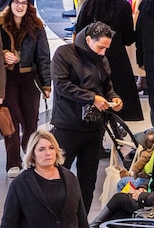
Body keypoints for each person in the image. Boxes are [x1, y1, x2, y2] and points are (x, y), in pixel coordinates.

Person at [52, 22, 123, 207]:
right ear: (89, 39)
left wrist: (114, 99)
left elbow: (107, 87)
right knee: (58, 175)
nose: (103, 52)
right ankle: (58, 221)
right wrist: (92, 98)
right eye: (101, 47)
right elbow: (61, 85)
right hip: (67, 126)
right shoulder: (64, 53)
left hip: (94, 128)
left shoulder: (102, 59)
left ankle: (82, 225)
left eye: (106, 48)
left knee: (88, 181)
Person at [0, 0, 54, 173]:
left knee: (30, 121)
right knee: (11, 121)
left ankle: (29, 156)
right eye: (16, 2)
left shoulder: (36, 26)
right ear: (10, 4)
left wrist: (46, 84)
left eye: (23, 3)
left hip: (30, 78)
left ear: (29, 5)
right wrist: (3, 54)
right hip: (8, 78)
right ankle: (13, 161)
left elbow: (44, 56)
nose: (20, 6)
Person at [77, 0, 143, 119]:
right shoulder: (123, 6)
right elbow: (128, 39)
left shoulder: (90, 2)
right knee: (119, 97)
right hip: (118, 58)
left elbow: (80, 28)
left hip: (91, 57)